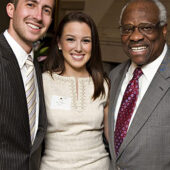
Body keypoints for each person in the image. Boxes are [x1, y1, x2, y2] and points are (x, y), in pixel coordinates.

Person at [40, 11, 110, 169]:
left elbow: (112, 138)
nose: (78, 48)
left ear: (93, 45)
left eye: (86, 41)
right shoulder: (43, 82)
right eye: (70, 39)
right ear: (59, 43)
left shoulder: (103, 84)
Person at [108, 0, 170, 169]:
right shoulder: (114, 76)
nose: (135, 36)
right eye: (128, 29)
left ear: (163, 29)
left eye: (146, 27)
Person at [0, 0, 55, 169]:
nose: (38, 16)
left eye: (46, 10)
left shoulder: (34, 67)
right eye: (31, 5)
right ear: (11, 9)